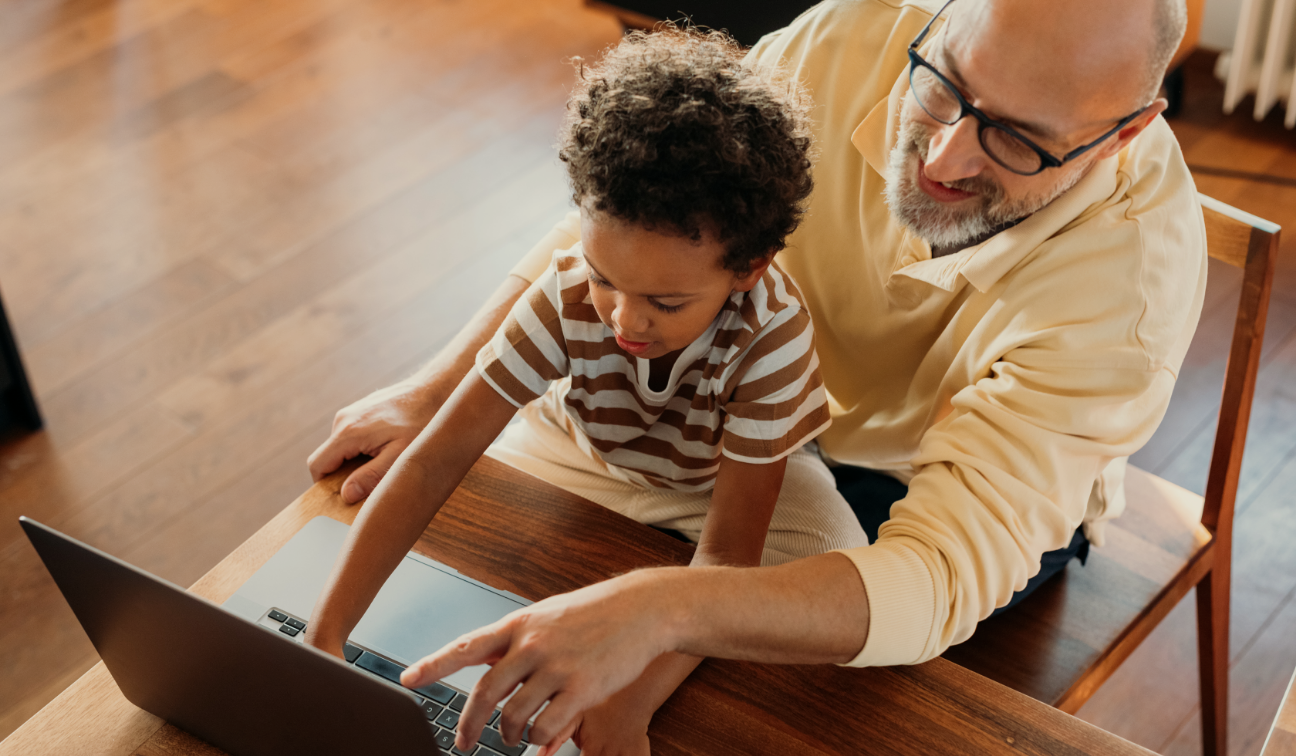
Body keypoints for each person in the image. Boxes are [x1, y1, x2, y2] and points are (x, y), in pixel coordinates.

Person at [308, 0, 1207, 753]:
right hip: (725, 404)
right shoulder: (850, 34)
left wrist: (664, 610)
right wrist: (433, 388)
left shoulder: (1130, 296)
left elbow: (935, 576)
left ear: (1124, 134)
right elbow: (635, 224)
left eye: (1017, 140)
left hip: (909, 487)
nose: (944, 158)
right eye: (946, 88)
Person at [302, 27, 869, 754]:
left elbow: (726, 562)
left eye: (666, 304)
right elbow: (435, 458)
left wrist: (628, 704)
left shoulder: (773, 336)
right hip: (580, 446)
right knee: (437, 497)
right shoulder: (567, 290)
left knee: (832, 574)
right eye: (606, 280)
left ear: (748, 269)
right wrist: (324, 637)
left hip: (717, 480)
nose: (626, 320)